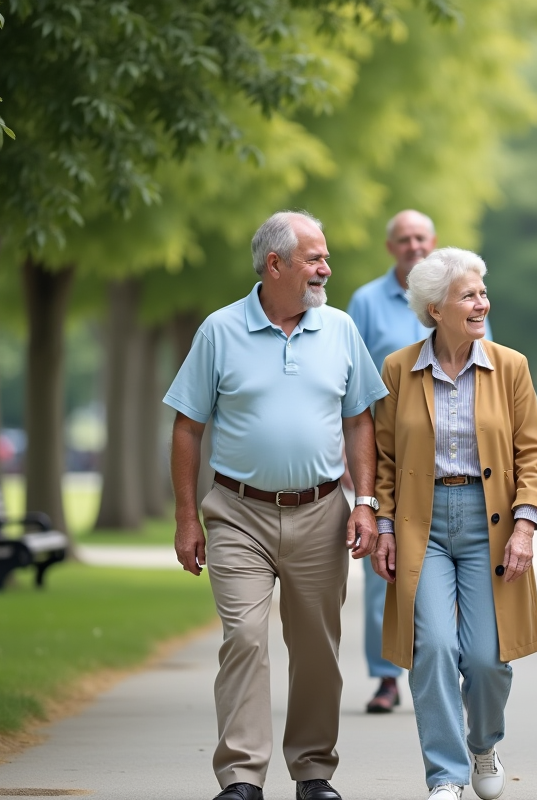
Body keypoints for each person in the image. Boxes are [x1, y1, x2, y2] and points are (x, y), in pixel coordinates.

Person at [165, 210, 387, 800]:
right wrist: (188, 517)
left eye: (325, 257)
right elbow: (187, 428)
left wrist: (365, 502)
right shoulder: (219, 330)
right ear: (275, 265)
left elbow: (360, 420)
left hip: (322, 512)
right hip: (238, 513)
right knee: (245, 638)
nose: (325, 268)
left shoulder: (339, 328)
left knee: (317, 649)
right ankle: (240, 777)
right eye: (315, 258)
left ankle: (313, 771)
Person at [370, 247, 537, 800]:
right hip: (419, 523)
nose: (481, 304)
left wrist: (525, 526)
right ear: (434, 310)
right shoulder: (398, 369)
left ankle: (483, 743)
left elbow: (533, 455)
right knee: (434, 648)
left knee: (486, 659)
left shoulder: (510, 366)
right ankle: (445, 775)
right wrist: (382, 525)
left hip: (488, 524)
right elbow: (383, 459)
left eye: (482, 294)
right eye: (468, 295)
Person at [346, 209, 437, 713]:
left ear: (434, 241)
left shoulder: (453, 291)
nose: (413, 246)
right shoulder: (364, 302)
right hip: (385, 454)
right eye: (403, 239)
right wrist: (349, 459)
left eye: (420, 237)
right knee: (383, 562)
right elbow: (350, 383)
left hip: (448, 454)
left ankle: (444, 661)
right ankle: (385, 676)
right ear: (391, 248)